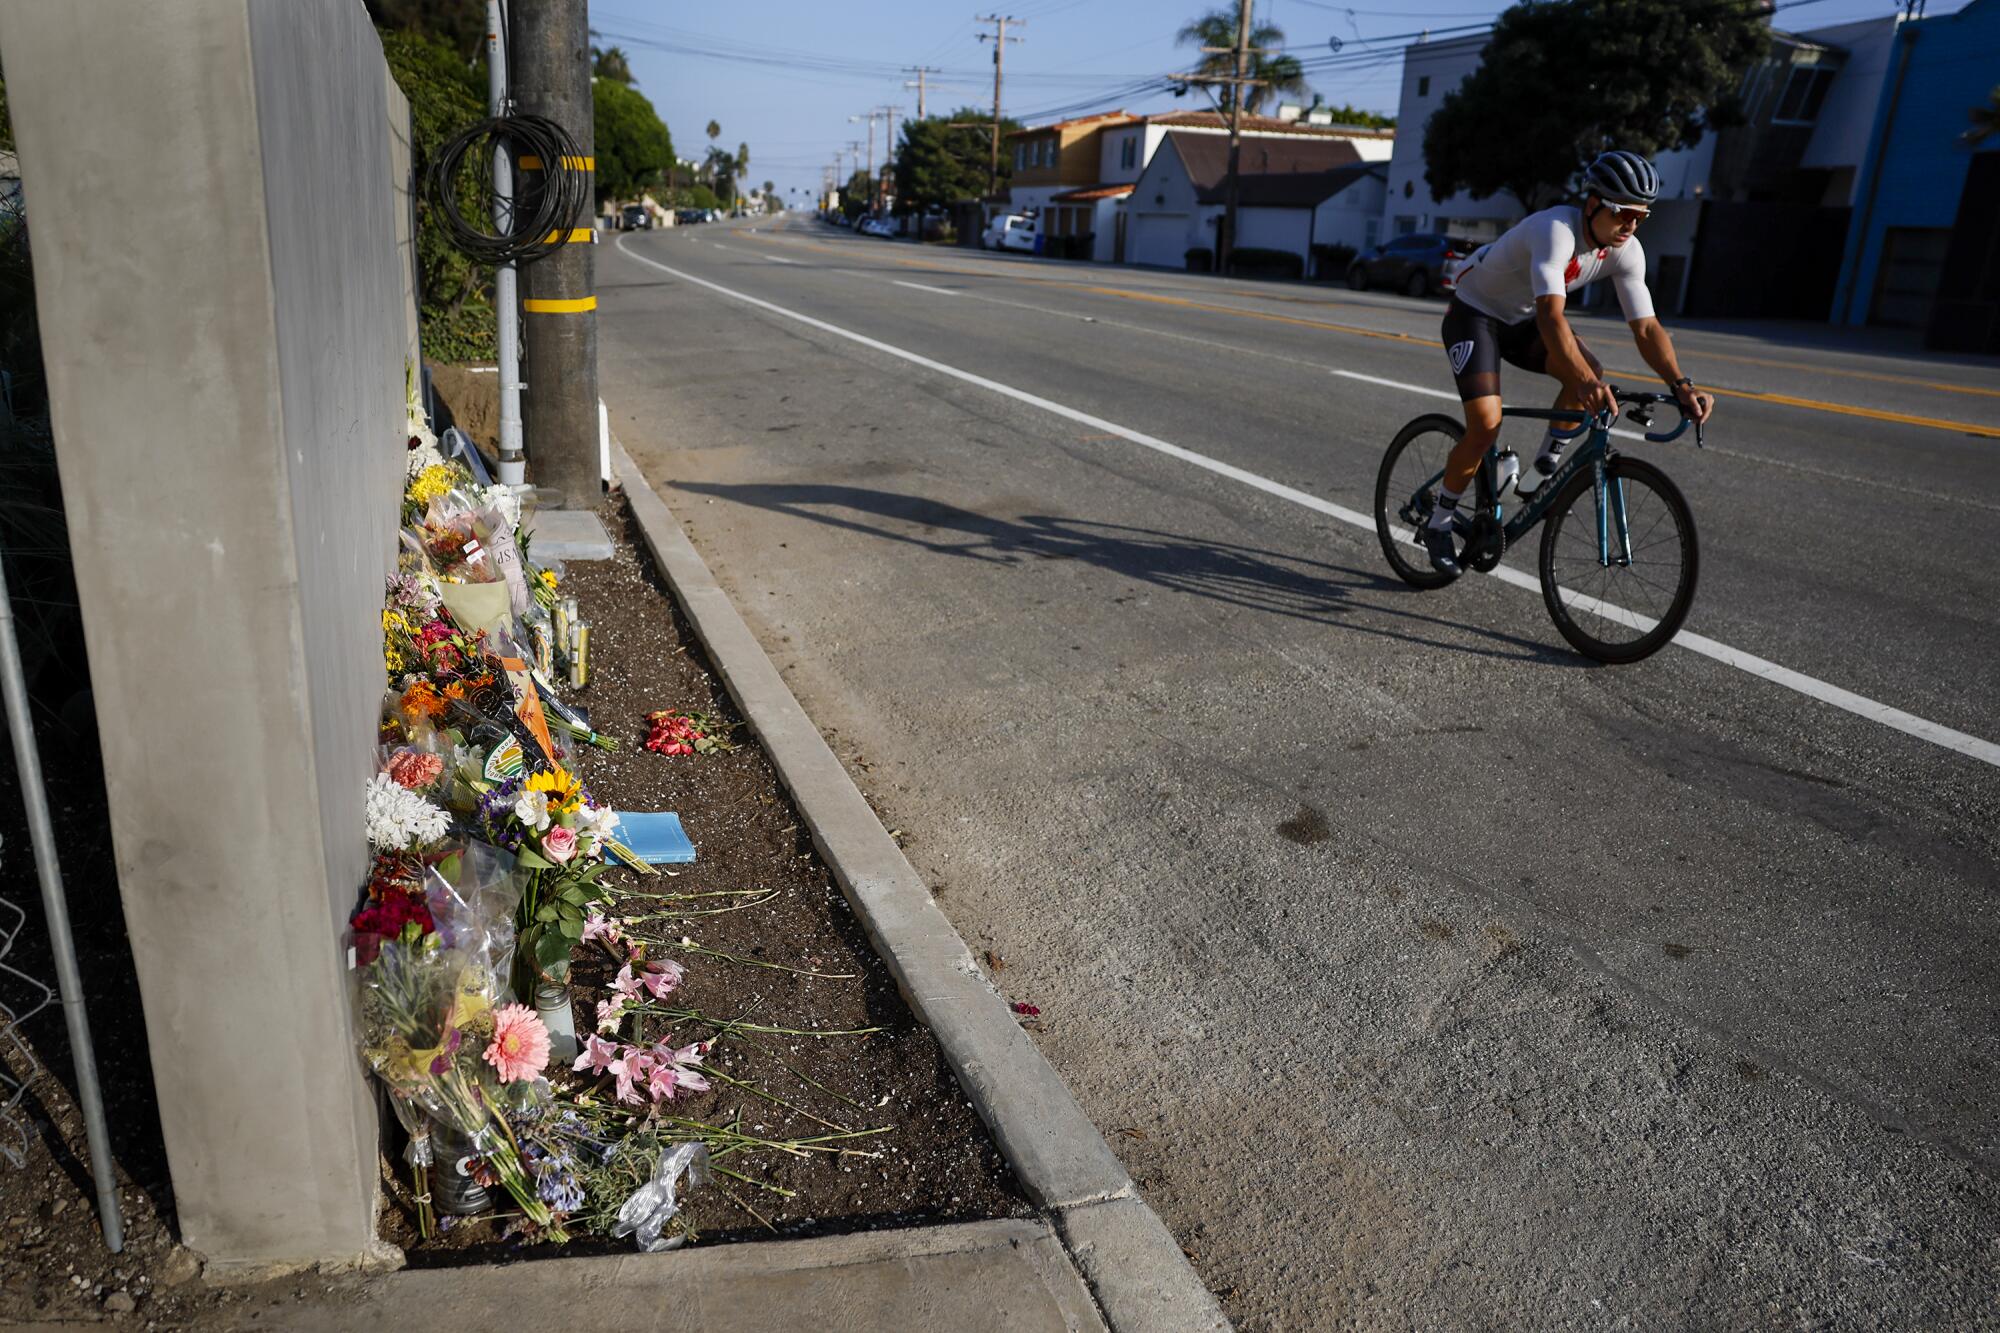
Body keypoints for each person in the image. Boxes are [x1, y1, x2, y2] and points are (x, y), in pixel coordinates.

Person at [1423, 150, 1714, 577]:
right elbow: (1551, 316)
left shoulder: (1626, 251)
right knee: (1486, 423)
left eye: (1641, 216)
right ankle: (1439, 521)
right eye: (1623, 213)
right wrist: (1582, 381)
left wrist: (1680, 385)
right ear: (1593, 202)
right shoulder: (1555, 230)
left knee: (1590, 373)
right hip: (1476, 311)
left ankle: (1542, 468)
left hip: (1521, 318)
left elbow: (1647, 329)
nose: (1631, 226)